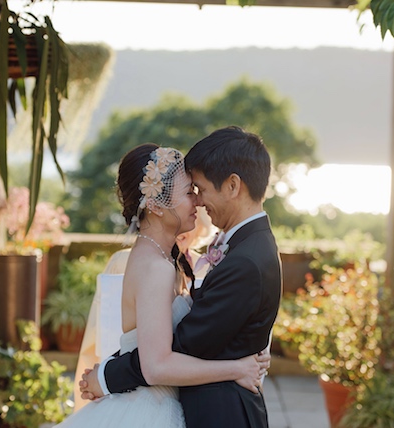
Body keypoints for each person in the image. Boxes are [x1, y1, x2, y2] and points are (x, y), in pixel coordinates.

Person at [54, 143, 268, 427]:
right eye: (188, 193)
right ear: (155, 205)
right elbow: (156, 367)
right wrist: (237, 368)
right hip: (151, 409)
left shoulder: (159, 257)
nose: (198, 202)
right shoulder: (156, 268)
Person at [71, 207, 215, 412]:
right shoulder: (128, 262)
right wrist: (97, 381)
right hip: (138, 388)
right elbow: (100, 331)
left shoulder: (207, 266)